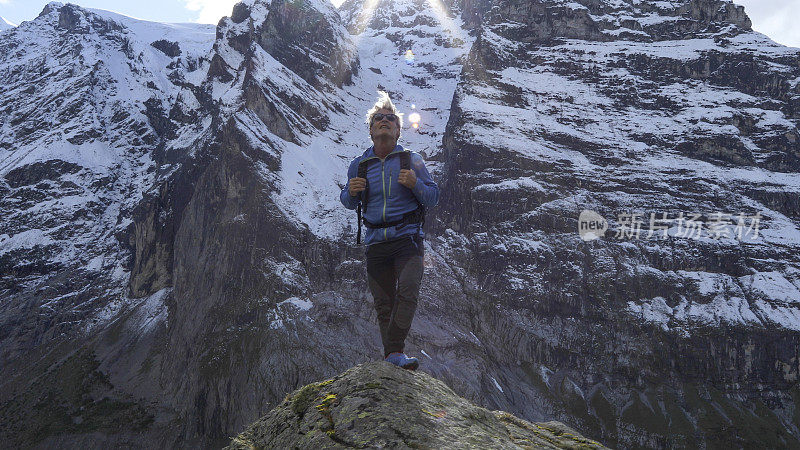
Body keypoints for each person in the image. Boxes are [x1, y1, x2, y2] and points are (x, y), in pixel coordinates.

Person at [339, 91, 440, 370]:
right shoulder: (359, 165)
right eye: (378, 118)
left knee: (408, 290)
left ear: (398, 130)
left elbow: (432, 197)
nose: (385, 121)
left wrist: (415, 184)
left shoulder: (411, 161)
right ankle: (393, 356)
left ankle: (393, 354)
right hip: (376, 243)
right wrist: (350, 191)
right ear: (371, 130)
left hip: (407, 238)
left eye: (391, 118)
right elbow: (348, 202)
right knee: (384, 303)